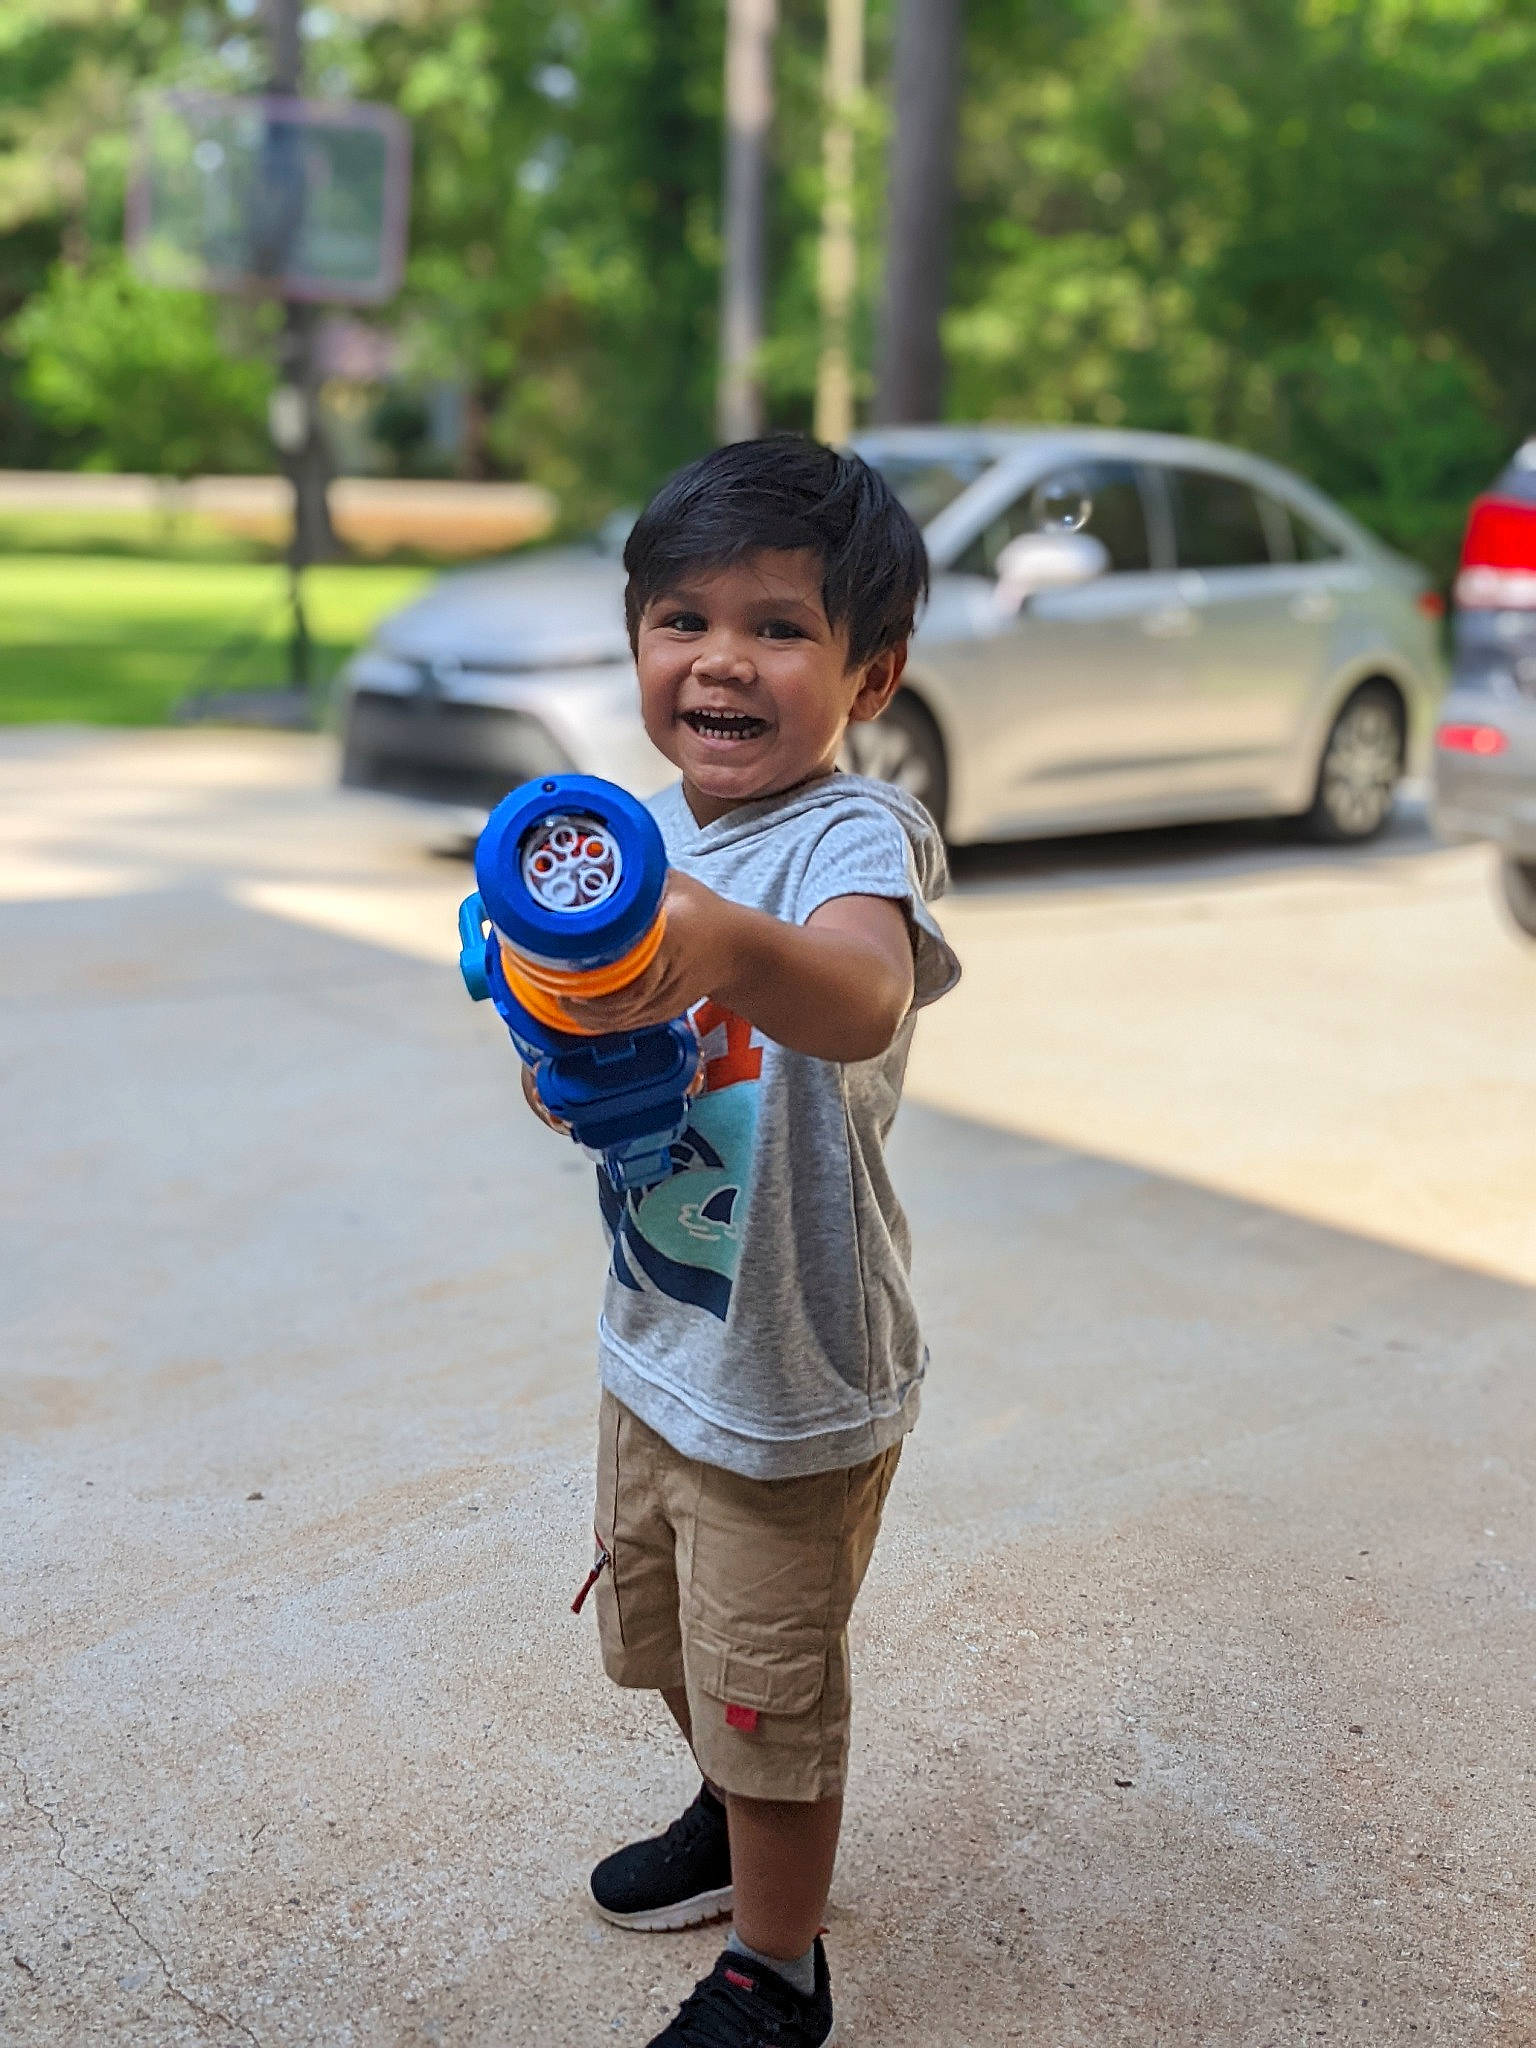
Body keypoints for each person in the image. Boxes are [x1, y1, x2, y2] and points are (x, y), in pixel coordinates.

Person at [525, 435, 960, 2048]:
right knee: (665, 1637)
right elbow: (568, 1057)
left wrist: (711, 942)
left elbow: (855, 999)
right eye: (681, 618)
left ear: (873, 671)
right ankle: (725, 1814)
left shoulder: (855, 839)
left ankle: (779, 1974)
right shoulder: (638, 833)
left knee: (771, 1683)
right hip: (658, 1337)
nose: (720, 658)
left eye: (779, 626)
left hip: (792, 1367)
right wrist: (555, 1049)